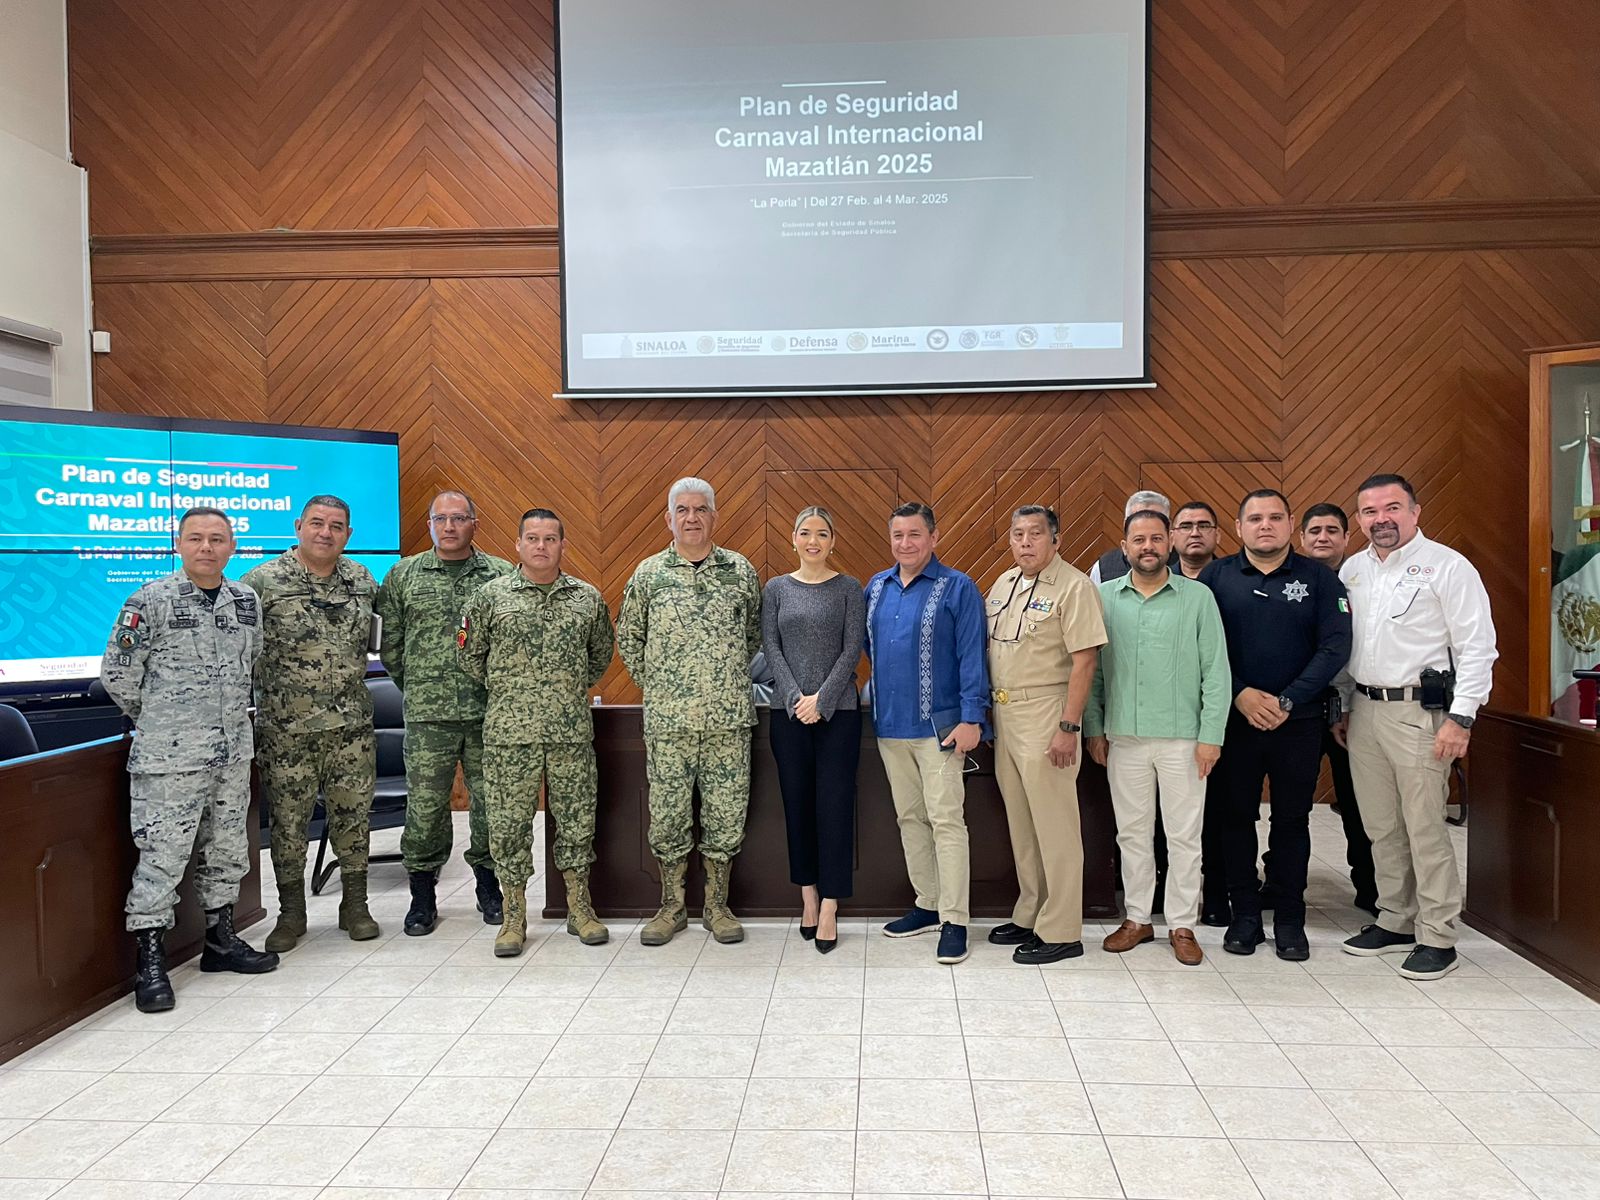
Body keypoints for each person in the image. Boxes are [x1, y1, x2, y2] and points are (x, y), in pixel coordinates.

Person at [101, 507, 278, 1012]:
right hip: (169, 761)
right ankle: (151, 963)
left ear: (232, 547)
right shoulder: (149, 601)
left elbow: (252, 663)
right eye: (196, 538)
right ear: (178, 543)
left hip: (231, 755)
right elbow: (118, 674)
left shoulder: (245, 601)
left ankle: (221, 943)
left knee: (227, 851)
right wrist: (162, 720)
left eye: (217, 539)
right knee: (162, 859)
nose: (207, 547)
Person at [1335, 474, 1497, 980]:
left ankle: (1438, 934)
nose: (1381, 518)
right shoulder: (1353, 569)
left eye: (1392, 508)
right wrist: (1342, 705)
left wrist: (1461, 717)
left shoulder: (1448, 567)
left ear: (1415, 511)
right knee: (1382, 825)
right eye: (1369, 511)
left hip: (1421, 715)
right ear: (1359, 519)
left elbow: (1478, 648)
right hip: (1364, 710)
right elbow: (1347, 645)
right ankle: (1397, 919)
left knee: (1424, 826)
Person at [1198, 490, 1351, 960]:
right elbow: (1204, 648)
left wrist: (1288, 698)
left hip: (1299, 722)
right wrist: (1241, 692)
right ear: (1239, 527)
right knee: (1235, 820)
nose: (1266, 525)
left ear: (1291, 527)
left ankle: (1290, 919)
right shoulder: (1215, 577)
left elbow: (1335, 647)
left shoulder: (1319, 580)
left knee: (1292, 821)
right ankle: (1244, 916)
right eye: (1255, 518)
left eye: (1275, 517)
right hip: (1235, 721)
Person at [458, 508, 615, 957]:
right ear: (518, 545)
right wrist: (513, 690)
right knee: (508, 827)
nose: (541, 546)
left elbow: (599, 656)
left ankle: (579, 909)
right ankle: (512, 916)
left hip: (569, 733)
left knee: (577, 823)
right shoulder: (490, 597)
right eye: (532, 538)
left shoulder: (586, 598)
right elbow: (471, 657)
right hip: (511, 735)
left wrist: (561, 692)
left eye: (550, 538)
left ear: (563, 545)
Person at [618, 477, 762, 945]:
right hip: (669, 724)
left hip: (727, 722)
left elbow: (753, 636)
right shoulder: (649, 574)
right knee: (668, 815)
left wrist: (719, 683)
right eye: (683, 510)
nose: (692, 517)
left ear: (715, 517)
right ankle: (672, 907)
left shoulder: (739, 571)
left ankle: (717, 907)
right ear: (669, 518)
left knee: (725, 815)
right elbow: (629, 638)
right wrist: (661, 686)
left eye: (701, 509)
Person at [1084, 509, 1229, 967]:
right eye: (1138, 540)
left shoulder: (1198, 598)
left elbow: (1217, 673)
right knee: (1132, 834)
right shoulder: (1103, 598)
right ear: (1124, 547)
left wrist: (1212, 736)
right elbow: (1092, 674)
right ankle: (1138, 918)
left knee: (1185, 835)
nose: (1147, 547)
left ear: (1169, 544)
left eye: (1156, 539)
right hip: (1123, 737)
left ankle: (1182, 923)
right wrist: (1094, 727)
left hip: (1183, 739)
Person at [243, 495, 381, 951]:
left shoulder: (361, 580)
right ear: (298, 525)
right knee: (287, 824)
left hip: (351, 728)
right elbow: (237, 652)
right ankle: (291, 913)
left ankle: (355, 906)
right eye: (317, 523)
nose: (326, 533)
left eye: (336, 526)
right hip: (286, 731)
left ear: (348, 534)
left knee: (353, 818)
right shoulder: (261, 582)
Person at [377, 490, 514, 935]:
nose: (450, 527)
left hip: (486, 712)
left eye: (459, 518)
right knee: (425, 808)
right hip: (427, 716)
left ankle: (489, 889)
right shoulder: (404, 575)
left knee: (491, 806)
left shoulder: (500, 574)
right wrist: (420, 687)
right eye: (441, 519)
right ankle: (422, 896)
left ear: (476, 522)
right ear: (430, 524)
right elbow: (392, 648)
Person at [864, 501, 990, 965]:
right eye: (898, 535)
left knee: (946, 822)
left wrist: (972, 717)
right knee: (909, 819)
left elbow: (973, 655)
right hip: (889, 726)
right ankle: (927, 904)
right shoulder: (875, 588)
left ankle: (955, 919)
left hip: (941, 729)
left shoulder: (958, 588)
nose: (905, 543)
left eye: (914, 534)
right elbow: (869, 648)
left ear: (933, 538)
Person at [985, 505, 1106, 964]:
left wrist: (1068, 727)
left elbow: (1086, 661)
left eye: (1036, 534)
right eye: (1018, 534)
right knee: (1022, 823)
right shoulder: (1003, 584)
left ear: (1056, 540)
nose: (1026, 542)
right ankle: (1031, 911)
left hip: (1047, 714)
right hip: (1006, 713)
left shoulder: (1074, 587)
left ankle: (1062, 929)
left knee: (1055, 827)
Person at [761, 506, 867, 953]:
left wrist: (821, 701)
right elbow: (771, 645)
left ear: (832, 541)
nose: (813, 541)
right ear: (793, 538)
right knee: (798, 807)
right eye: (805, 532)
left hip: (838, 717)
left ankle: (830, 905)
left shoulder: (849, 589)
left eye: (822, 533)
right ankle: (807, 896)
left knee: (835, 810)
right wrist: (795, 699)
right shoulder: (776, 589)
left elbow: (852, 648)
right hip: (789, 719)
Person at [1297, 502, 1377, 915]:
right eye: (1314, 531)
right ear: (1302, 538)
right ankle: (1285, 885)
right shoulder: (1291, 580)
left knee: (1358, 802)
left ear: (1347, 538)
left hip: (1354, 709)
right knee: (1293, 806)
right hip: (1303, 708)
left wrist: (1344, 704)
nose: (1322, 537)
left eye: (1331, 530)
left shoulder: (1364, 581)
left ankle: (1371, 888)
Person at [1087, 490, 1178, 583]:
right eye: (1138, 518)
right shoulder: (1104, 567)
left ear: (1169, 525)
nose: (1146, 523)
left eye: (1156, 518)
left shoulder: (1185, 565)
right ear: (1125, 524)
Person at [1173, 501, 1221, 579]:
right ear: (1172, 538)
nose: (1195, 533)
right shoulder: (1160, 581)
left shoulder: (1234, 579)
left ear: (1217, 535)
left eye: (1203, 526)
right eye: (1186, 527)